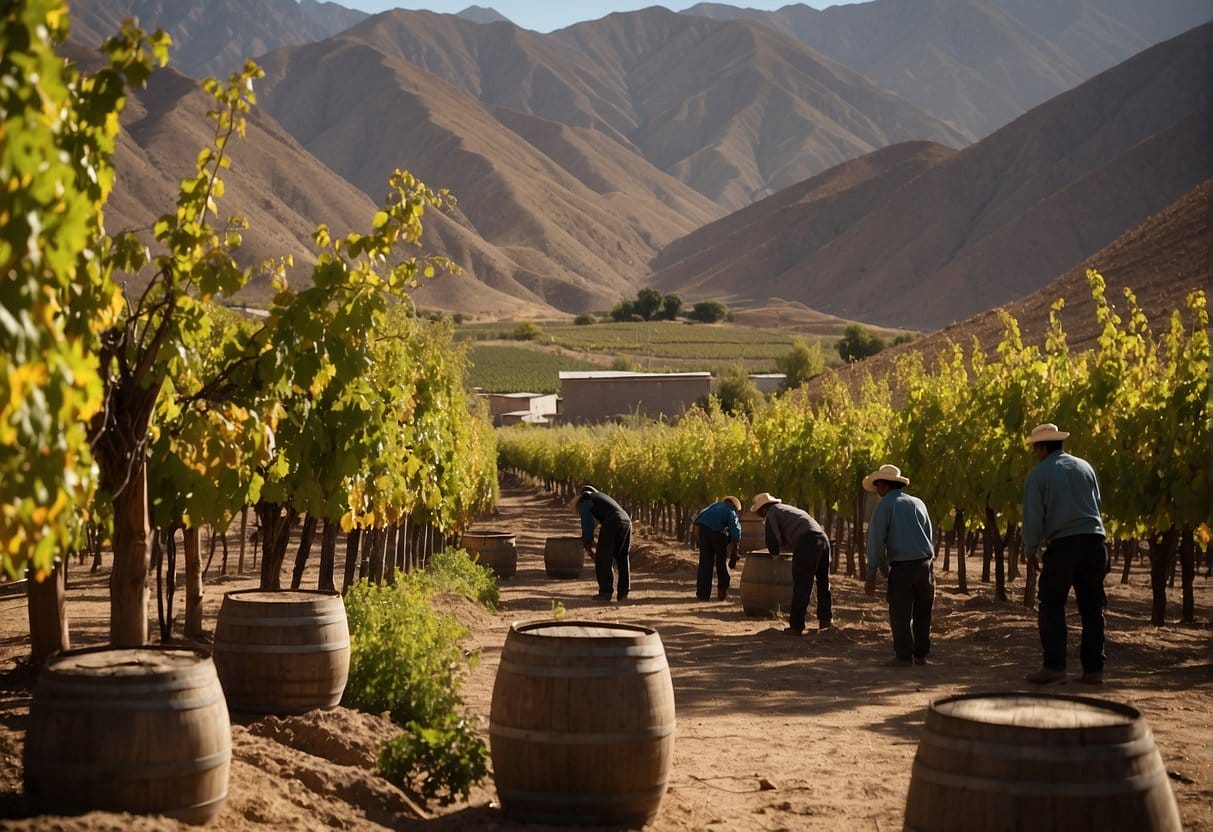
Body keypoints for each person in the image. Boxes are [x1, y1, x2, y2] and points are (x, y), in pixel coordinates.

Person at [1020, 423, 1108, 685]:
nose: (1035, 453)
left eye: (1036, 448)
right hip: (1095, 543)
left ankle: (1054, 667)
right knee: (1092, 609)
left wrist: (1031, 550)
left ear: (1042, 447)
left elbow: (1034, 518)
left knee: (1051, 604)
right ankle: (1093, 671)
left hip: (1064, 546)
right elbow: (1097, 503)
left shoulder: (1039, 475)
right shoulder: (1085, 467)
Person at [863, 464, 935, 667]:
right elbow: (929, 535)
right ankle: (921, 655)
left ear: (885, 485)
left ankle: (904, 656)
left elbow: (876, 543)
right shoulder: (919, 503)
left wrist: (872, 574)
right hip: (925, 566)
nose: (877, 490)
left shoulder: (885, 506)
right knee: (923, 612)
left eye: (878, 485)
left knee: (900, 613)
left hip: (902, 568)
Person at [750, 492, 832, 633]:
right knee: (823, 583)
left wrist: (774, 555)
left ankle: (796, 625)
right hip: (822, 539)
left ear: (763, 509)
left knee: (801, 584)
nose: (762, 517)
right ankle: (825, 621)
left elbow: (772, 538)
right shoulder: (788, 510)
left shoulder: (772, 512)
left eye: (760, 513)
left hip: (807, 542)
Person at [575, 485, 633, 602]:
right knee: (622, 557)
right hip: (627, 522)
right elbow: (597, 520)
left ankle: (605, 593)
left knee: (603, 558)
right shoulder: (602, 498)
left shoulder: (585, 499)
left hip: (612, 521)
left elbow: (587, 522)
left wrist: (587, 540)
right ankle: (623, 593)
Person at [692, 496, 743, 600]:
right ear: (734, 505)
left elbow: (696, 523)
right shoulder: (730, 510)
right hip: (719, 535)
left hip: (704, 533)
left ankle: (703, 595)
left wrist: (699, 541)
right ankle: (722, 591)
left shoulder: (711, 507)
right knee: (721, 564)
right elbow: (735, 529)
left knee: (705, 564)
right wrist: (735, 546)